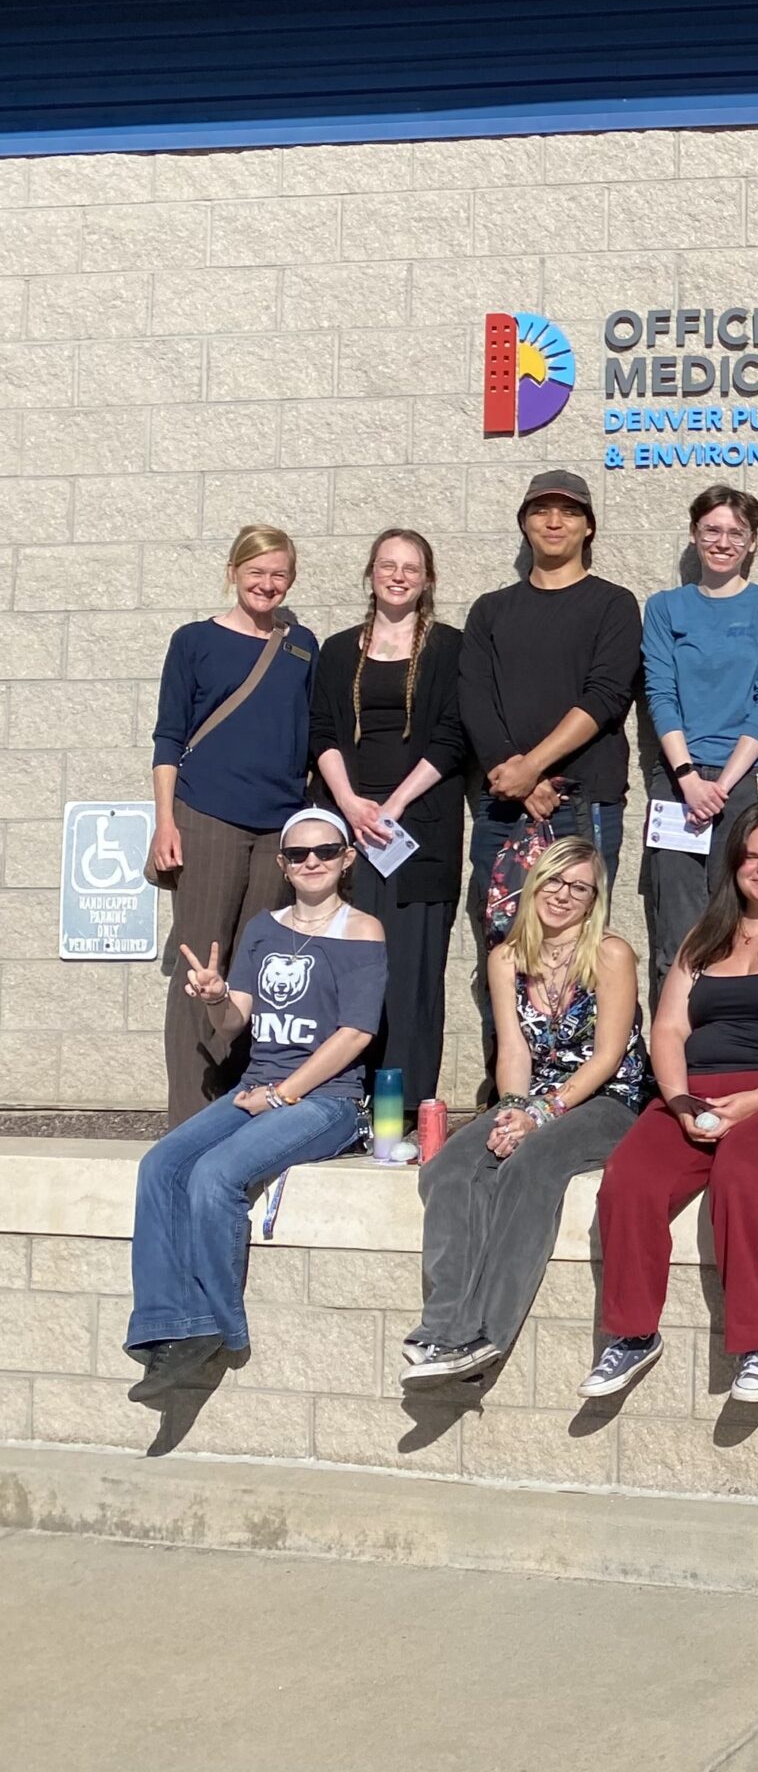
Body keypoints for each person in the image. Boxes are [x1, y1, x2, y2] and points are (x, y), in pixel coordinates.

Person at [585, 803, 758, 1407]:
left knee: (746, 1169)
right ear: (733, 864)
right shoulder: (702, 937)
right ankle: (630, 1333)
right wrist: (678, 1101)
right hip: (698, 1092)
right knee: (630, 1176)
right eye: (752, 856)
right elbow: (669, 1030)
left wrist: (754, 1102)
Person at [126, 809, 385, 1400]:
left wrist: (284, 1093)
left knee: (216, 1176)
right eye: (297, 855)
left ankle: (217, 1327)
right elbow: (237, 1017)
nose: (311, 861)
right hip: (261, 1086)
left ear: (347, 858)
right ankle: (169, 1327)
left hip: (327, 1100)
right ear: (283, 865)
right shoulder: (264, 929)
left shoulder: (362, 930)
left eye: (324, 850)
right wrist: (216, 997)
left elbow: (356, 1034)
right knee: (161, 1166)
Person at [401, 838, 648, 1384]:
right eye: (554, 880)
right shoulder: (505, 958)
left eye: (579, 887)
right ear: (533, 884)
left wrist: (542, 1114)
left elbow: (609, 1056)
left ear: (593, 900)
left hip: (607, 1099)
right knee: (451, 1168)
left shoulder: (611, 953)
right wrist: (512, 1110)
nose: (563, 895)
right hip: (532, 1097)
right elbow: (512, 1049)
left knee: (532, 1168)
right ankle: (444, 1329)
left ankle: (484, 1335)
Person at [150, 524, 320, 1125]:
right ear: (233, 571)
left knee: (254, 970)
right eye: (256, 572)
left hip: (277, 827)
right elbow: (169, 735)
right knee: (202, 965)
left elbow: (309, 738)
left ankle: (235, 1104)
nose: (266, 584)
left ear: (290, 580)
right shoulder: (194, 640)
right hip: (207, 816)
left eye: (278, 574)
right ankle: (188, 1118)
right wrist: (164, 820)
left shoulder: (302, 646)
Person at [312, 528, 468, 1115]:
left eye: (411, 567)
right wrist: (351, 804)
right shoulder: (336, 650)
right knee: (347, 969)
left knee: (410, 976)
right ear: (370, 573)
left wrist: (395, 803)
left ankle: (398, 1115)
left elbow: (454, 735)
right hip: (347, 831)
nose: (398, 575)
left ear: (427, 579)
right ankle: (338, 1103)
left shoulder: (450, 648)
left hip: (418, 832)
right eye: (387, 565)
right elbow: (321, 731)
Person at [459, 470, 643, 919]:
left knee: (576, 943)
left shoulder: (613, 604)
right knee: (504, 941)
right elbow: (474, 698)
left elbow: (605, 696)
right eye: (541, 511)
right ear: (525, 524)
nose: (554, 522)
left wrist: (532, 767)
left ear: (589, 526)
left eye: (569, 511)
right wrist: (517, 778)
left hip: (582, 803)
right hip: (504, 802)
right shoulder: (490, 609)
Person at [641, 484, 758, 986]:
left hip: (747, 782)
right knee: (678, 928)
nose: (723, 541)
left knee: (750, 918)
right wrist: (688, 778)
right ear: (694, 534)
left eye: (736, 532)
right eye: (712, 530)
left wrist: (722, 785)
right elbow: (660, 695)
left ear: (752, 542)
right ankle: (676, 1055)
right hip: (679, 783)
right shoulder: (665, 607)